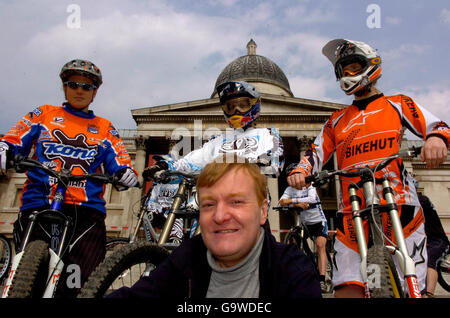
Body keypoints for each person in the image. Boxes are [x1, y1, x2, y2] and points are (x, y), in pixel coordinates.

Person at [287, 39, 449, 298]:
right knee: (348, 289)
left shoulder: (398, 104)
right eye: (343, 71)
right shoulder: (336, 120)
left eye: (353, 67)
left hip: (399, 206)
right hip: (352, 214)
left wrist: (436, 139)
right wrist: (300, 171)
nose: (348, 76)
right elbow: (314, 154)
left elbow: (437, 126)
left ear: (371, 65)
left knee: (410, 285)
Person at [0, 59, 138, 297]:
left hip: (85, 211)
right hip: (39, 201)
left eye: (87, 86)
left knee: (78, 282)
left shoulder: (104, 128)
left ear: (95, 92)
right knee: (28, 275)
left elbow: (121, 160)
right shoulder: (43, 114)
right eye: (73, 84)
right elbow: (13, 140)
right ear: (64, 86)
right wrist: (6, 151)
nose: (79, 90)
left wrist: (123, 173)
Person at [108, 156, 322, 298]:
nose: (220, 216)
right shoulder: (189, 256)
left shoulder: (293, 271)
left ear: (263, 211)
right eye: (209, 204)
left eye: (236, 202)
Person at [142, 80, 283, 187]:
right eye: (231, 107)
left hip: (248, 195)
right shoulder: (216, 140)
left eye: (242, 105)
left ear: (254, 104)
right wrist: (166, 166)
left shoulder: (268, 134)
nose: (237, 111)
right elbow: (191, 162)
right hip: (213, 195)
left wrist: (258, 163)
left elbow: (275, 162)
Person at [278, 182, 329, 292]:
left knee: (320, 245)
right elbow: (281, 202)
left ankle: (322, 280)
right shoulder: (290, 189)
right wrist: (297, 204)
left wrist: (291, 202)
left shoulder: (310, 186)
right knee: (294, 243)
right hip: (305, 224)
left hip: (319, 222)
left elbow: (311, 199)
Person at [413, 179, 450, 297]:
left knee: (429, 261)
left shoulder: (421, 201)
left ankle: (429, 294)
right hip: (421, 242)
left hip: (437, 241)